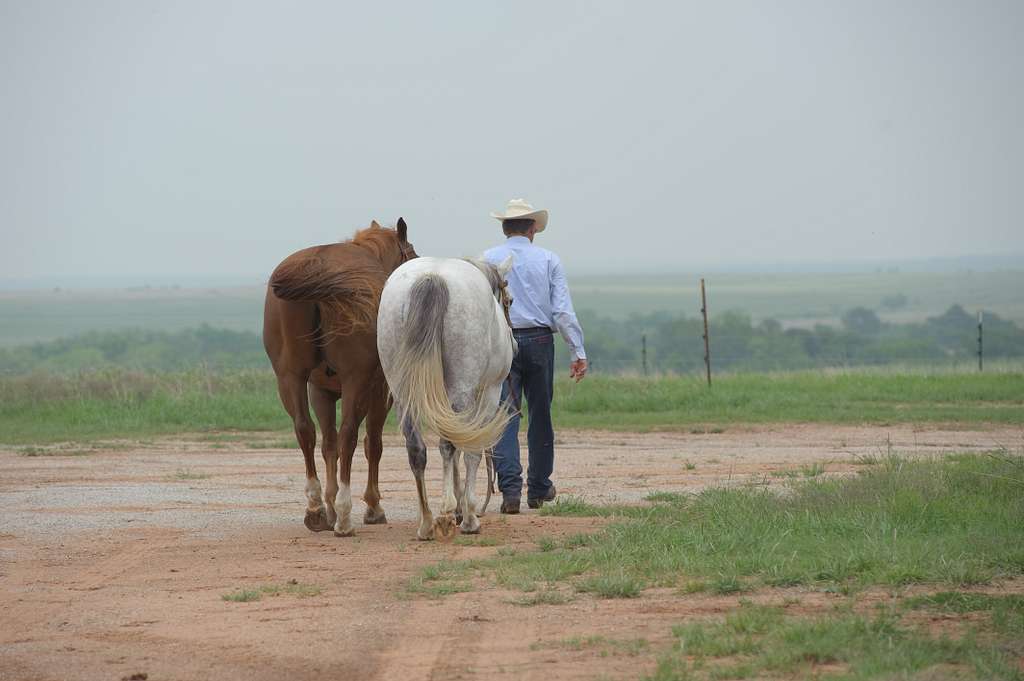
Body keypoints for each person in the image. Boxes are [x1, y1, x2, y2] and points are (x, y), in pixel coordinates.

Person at [483, 198, 587, 513]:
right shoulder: (548, 259)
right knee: (541, 415)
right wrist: (577, 350)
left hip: (503, 342)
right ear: (532, 229)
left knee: (505, 416)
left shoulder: (487, 259)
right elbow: (562, 311)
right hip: (540, 340)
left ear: (504, 227)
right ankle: (539, 487)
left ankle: (510, 491)